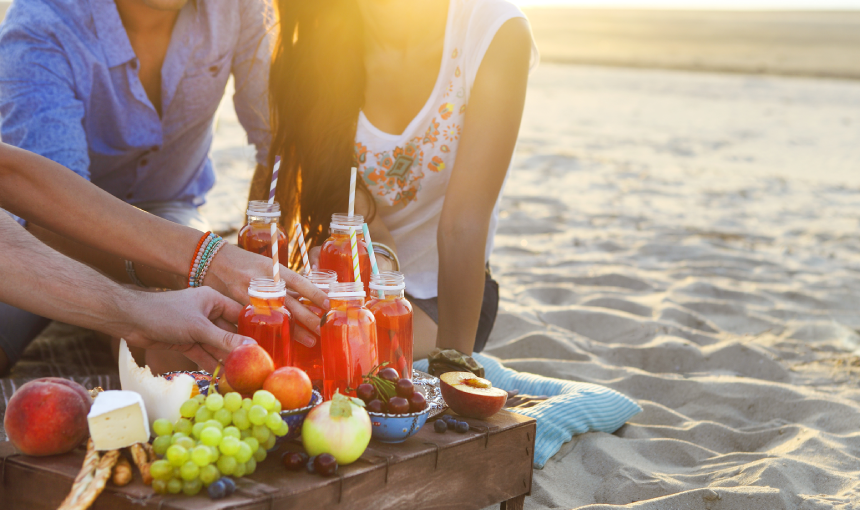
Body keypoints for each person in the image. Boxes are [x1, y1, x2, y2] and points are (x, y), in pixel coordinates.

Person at [254, 0, 537, 360]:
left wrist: (454, 368)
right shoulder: (321, 42)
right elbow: (350, 205)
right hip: (352, 278)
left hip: (446, 297)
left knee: (330, 359)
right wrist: (371, 280)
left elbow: (463, 225)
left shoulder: (495, 28)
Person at [0, 0, 275, 367]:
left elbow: (278, 146)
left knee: (198, 336)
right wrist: (191, 266)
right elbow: (42, 209)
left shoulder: (239, 7)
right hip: (41, 232)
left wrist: (260, 253)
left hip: (170, 212)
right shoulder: (42, 21)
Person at [0, 143, 328, 374]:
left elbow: (10, 174)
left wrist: (211, 260)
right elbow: (35, 220)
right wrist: (146, 300)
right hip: (46, 231)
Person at [0, 212, 252, 373]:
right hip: (52, 223)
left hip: (165, 213)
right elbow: (46, 213)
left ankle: (174, 403)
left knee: (182, 320)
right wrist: (143, 302)